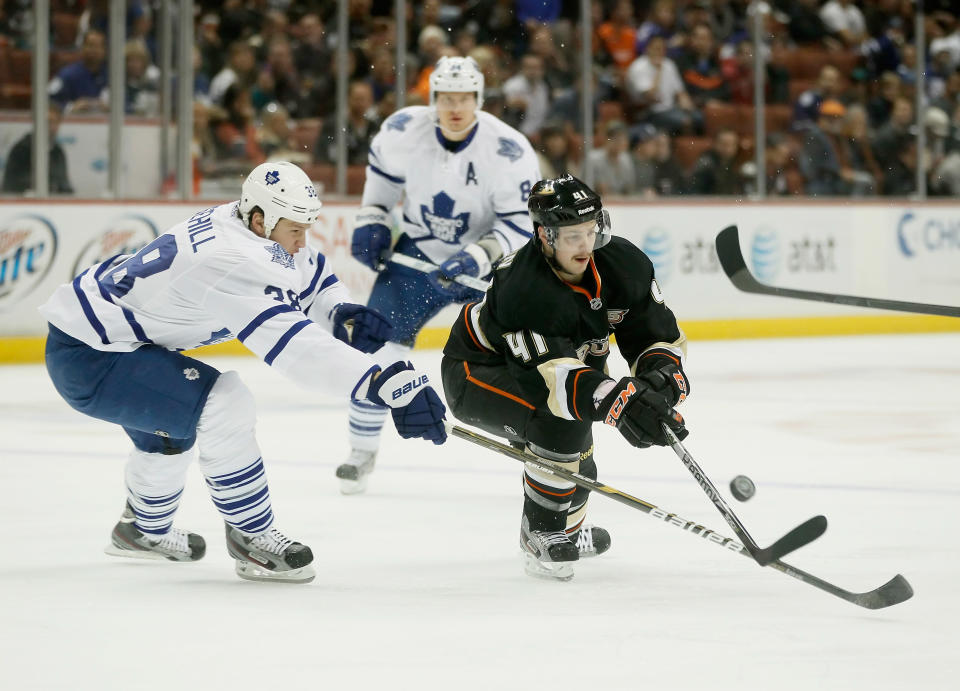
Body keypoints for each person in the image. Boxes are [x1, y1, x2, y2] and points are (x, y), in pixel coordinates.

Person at [39, 161, 447, 584]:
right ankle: (251, 537)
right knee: (224, 403)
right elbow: (297, 350)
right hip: (93, 357)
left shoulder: (243, 222)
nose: (301, 242)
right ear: (260, 220)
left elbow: (307, 271)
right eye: (295, 230)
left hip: (105, 340)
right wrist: (380, 383)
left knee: (173, 425)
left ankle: (142, 530)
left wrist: (337, 309)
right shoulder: (231, 259)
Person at [440, 174, 690, 581]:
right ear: (545, 235)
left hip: (552, 373)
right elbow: (549, 382)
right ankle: (541, 534)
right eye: (573, 236)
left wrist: (657, 384)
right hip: (477, 372)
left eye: (591, 231)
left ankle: (567, 534)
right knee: (558, 423)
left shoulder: (622, 264)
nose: (586, 245)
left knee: (581, 469)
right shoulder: (522, 285)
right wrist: (618, 401)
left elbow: (656, 336)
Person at [339, 56, 541, 494]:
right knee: (372, 343)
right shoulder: (401, 131)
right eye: (446, 98)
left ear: (479, 100)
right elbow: (382, 183)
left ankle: (539, 454)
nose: (455, 108)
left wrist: (476, 257)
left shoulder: (508, 149)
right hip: (418, 253)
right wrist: (371, 218)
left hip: (487, 268)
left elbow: (519, 224)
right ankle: (360, 450)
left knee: (522, 359)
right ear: (432, 99)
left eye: (464, 98)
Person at [1, 102, 74, 195]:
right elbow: (11, 185)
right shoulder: (21, 150)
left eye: (55, 122)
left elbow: (64, 183)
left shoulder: (58, 151)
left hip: (53, 205)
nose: (51, 126)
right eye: (48, 121)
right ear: (37, 123)